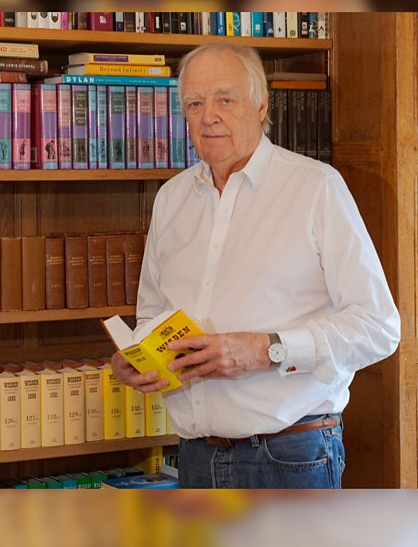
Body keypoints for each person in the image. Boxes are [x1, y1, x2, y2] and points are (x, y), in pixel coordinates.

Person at [110, 42, 401, 489]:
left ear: (261, 105)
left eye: (225, 99)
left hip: (288, 456)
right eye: (195, 103)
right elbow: (152, 316)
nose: (209, 116)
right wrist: (138, 358)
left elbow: (378, 327)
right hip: (195, 457)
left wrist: (268, 350)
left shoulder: (316, 187)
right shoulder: (172, 198)